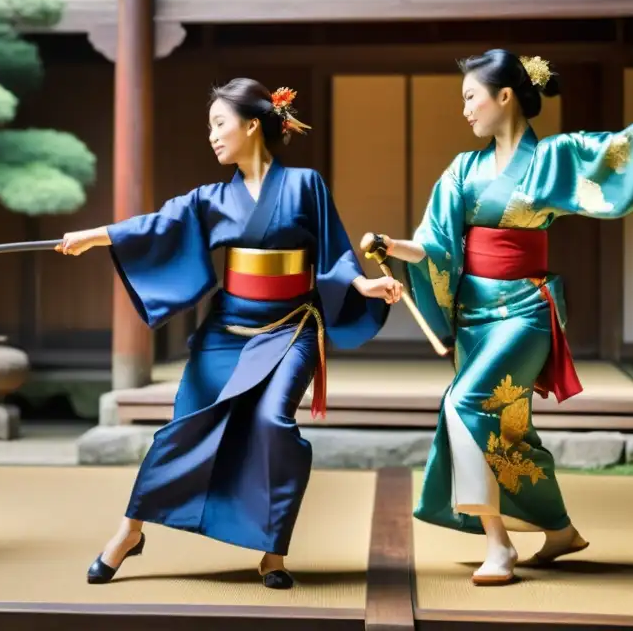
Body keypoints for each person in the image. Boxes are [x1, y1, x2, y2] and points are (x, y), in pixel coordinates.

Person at [375, 49, 633, 586]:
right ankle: (559, 530)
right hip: (475, 314)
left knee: (463, 405)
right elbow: (436, 245)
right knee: (510, 429)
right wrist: (394, 245)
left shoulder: (552, 156)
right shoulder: (463, 169)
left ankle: (499, 546)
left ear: (504, 96)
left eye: (471, 97)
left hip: (526, 309)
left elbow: (615, 151)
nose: (465, 109)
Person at [58, 78, 401, 589]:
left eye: (220, 124)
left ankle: (272, 549)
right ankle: (130, 531)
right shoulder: (211, 197)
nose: (213, 136)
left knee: (271, 422)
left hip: (291, 329)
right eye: (210, 127)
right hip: (228, 329)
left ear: (252, 124)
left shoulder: (305, 184)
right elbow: (157, 225)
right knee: (184, 424)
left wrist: (363, 285)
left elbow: (335, 251)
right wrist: (95, 236)